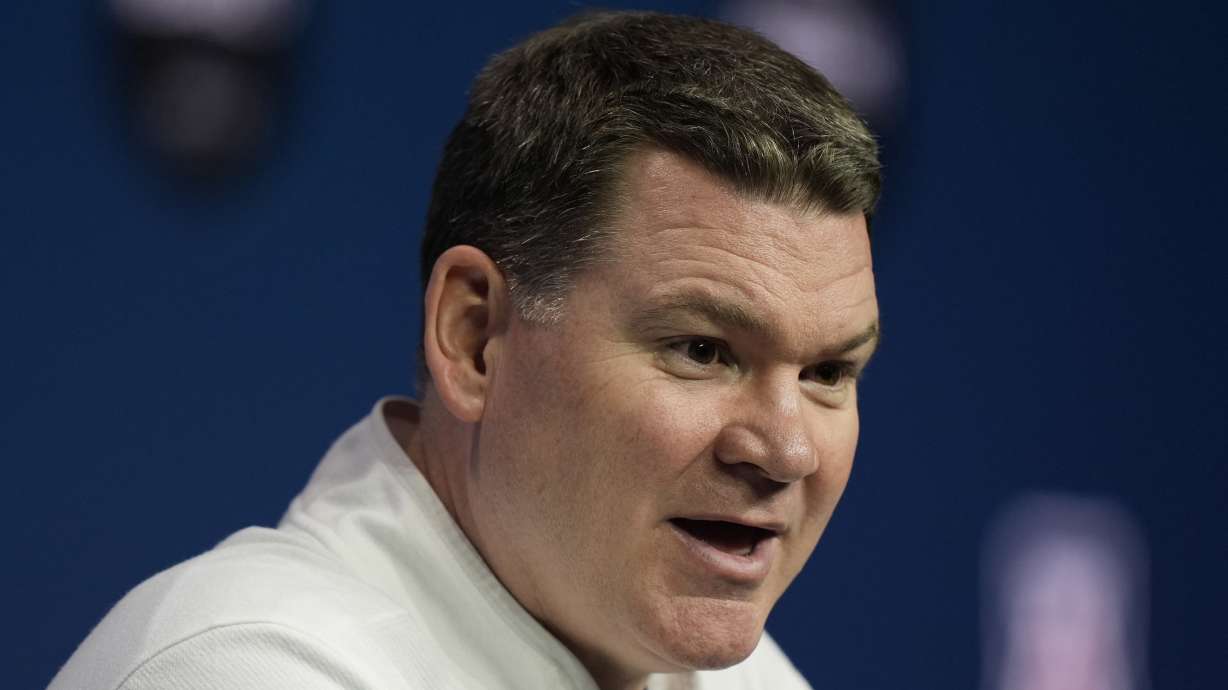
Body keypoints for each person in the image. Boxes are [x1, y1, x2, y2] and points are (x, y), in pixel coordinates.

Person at [50, 10, 881, 690]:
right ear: (475, 338)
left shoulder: (747, 681)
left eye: (828, 373)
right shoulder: (244, 668)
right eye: (702, 349)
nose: (786, 448)